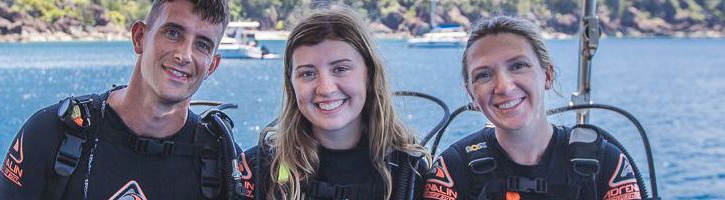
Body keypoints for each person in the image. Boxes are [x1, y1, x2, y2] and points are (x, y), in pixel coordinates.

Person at [0, 0, 247, 199]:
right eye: (173, 33)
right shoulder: (52, 134)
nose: (184, 55)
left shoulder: (221, 160)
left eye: (202, 45)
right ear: (139, 38)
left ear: (212, 66)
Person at [423, 16, 646, 200]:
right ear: (472, 93)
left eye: (518, 66)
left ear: (547, 76)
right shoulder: (453, 168)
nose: (504, 87)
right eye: (484, 75)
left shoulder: (605, 162)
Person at [238, 6, 429, 200]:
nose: (326, 88)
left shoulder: (410, 172)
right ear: (292, 84)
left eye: (340, 69)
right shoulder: (259, 168)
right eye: (308, 73)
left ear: (369, 75)